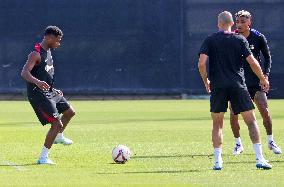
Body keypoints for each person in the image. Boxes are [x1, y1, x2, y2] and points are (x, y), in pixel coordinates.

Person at [198, 11, 271, 170]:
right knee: (251, 121)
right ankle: (259, 158)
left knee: (217, 124)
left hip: (218, 86)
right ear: (232, 23)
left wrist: (206, 81)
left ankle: (217, 161)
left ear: (218, 24)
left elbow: (202, 64)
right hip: (238, 85)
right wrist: (263, 79)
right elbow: (252, 62)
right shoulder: (240, 39)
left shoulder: (210, 40)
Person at [21, 26, 75, 165]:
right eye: (57, 40)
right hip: (37, 94)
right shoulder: (36, 53)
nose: (59, 43)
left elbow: (44, 74)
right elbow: (24, 73)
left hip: (49, 92)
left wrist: (53, 89)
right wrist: (37, 82)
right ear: (49, 38)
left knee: (70, 112)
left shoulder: (49, 51)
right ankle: (43, 158)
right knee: (57, 124)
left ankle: (59, 137)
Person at [230, 10, 281, 155]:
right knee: (233, 113)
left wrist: (265, 75)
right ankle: (238, 144)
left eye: (243, 21)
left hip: (256, 82)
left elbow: (267, 58)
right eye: (237, 21)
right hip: (238, 82)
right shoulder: (233, 37)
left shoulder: (258, 37)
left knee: (264, 110)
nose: (239, 24)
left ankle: (271, 141)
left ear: (249, 22)